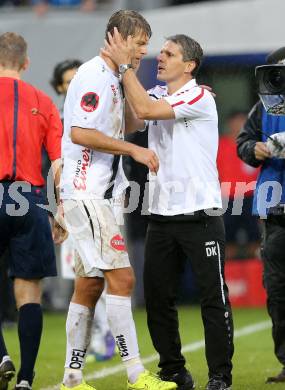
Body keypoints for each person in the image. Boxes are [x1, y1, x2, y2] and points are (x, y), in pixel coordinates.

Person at [103, 30, 234, 390]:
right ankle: (174, 370)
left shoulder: (199, 97)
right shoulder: (158, 94)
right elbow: (132, 122)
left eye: (169, 53)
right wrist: (119, 76)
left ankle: (220, 376)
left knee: (213, 299)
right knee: (158, 299)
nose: (159, 57)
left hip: (201, 215)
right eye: (159, 52)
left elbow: (144, 110)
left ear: (189, 65)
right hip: (160, 215)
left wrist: (126, 65)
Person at [60, 10, 177, 390]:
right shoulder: (94, 74)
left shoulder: (113, 75)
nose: (145, 49)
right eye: (140, 41)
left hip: (98, 195)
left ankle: (72, 379)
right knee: (123, 278)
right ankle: (135, 373)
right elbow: (79, 132)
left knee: (89, 285)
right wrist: (134, 151)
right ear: (117, 37)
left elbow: (131, 124)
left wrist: (127, 77)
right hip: (88, 193)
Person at [0, 32, 65, 390]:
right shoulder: (43, 101)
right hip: (30, 197)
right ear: (26, 63)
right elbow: (58, 164)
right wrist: (58, 211)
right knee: (28, 292)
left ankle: (1, 356)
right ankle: (26, 377)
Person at [51, 58, 116, 362]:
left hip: (100, 198)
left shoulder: (98, 110)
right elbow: (55, 165)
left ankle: (105, 334)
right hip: (71, 200)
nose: (73, 84)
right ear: (60, 87)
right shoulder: (58, 118)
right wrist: (58, 208)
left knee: (100, 270)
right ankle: (91, 338)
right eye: (67, 81)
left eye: (77, 77)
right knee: (82, 274)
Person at [237, 47, 285, 384]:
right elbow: (244, 142)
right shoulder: (264, 106)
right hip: (275, 209)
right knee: (279, 289)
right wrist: (254, 149)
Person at [217, 111, 260, 259]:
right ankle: (230, 276)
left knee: (255, 239)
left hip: (251, 197)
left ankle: (253, 276)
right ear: (230, 124)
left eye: (244, 122)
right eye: (237, 121)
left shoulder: (255, 145)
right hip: (228, 198)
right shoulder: (220, 145)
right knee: (228, 240)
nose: (240, 125)